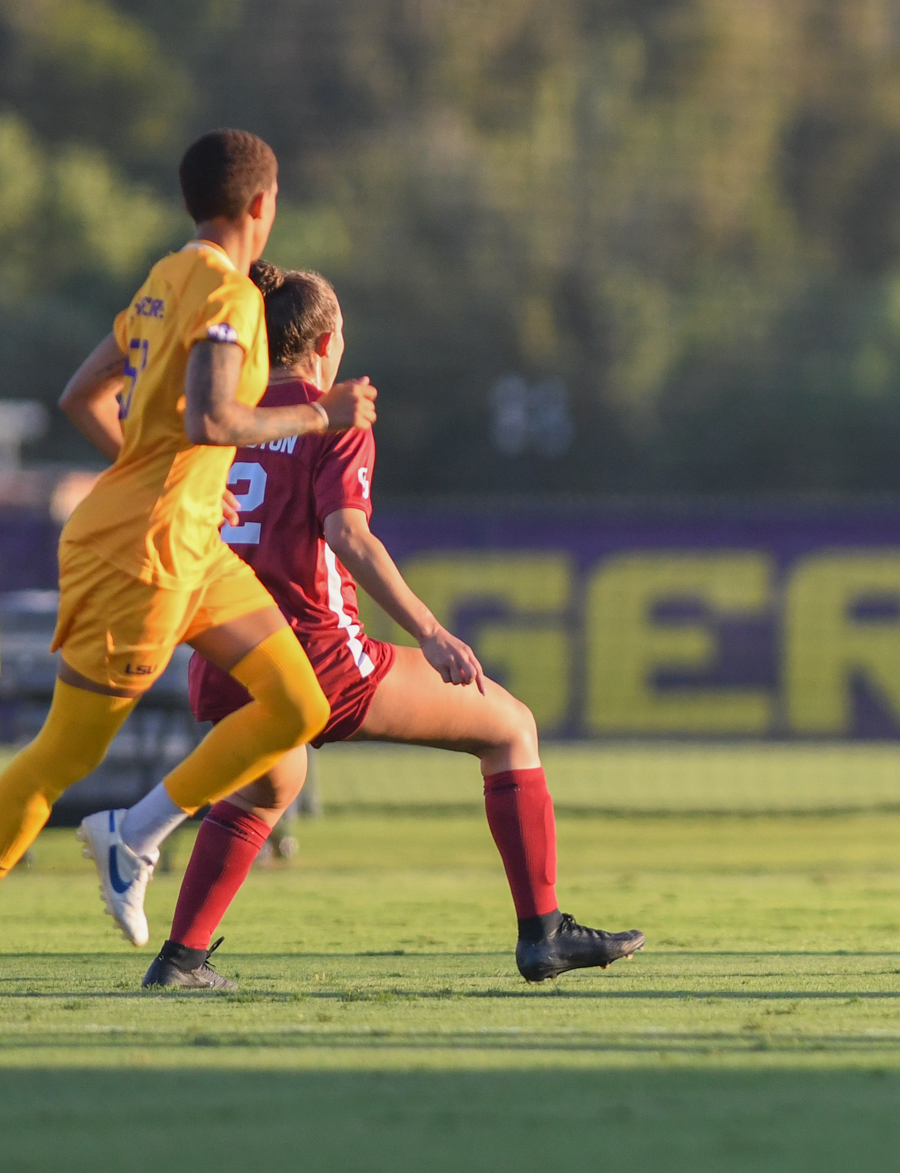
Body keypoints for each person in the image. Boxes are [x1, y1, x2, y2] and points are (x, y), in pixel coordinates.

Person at [0, 130, 376, 1021]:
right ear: (262, 207)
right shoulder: (230, 293)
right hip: (140, 556)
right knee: (65, 753)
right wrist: (320, 412)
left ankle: (136, 832)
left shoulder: (168, 276)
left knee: (297, 707)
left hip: (189, 542)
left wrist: (148, 471)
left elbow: (82, 395)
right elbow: (210, 415)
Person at [120, 263, 644, 990]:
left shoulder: (219, 418)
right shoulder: (325, 413)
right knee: (511, 726)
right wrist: (431, 629)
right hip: (320, 656)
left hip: (225, 657)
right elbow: (348, 533)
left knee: (270, 788)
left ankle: (180, 960)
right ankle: (544, 932)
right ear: (327, 341)